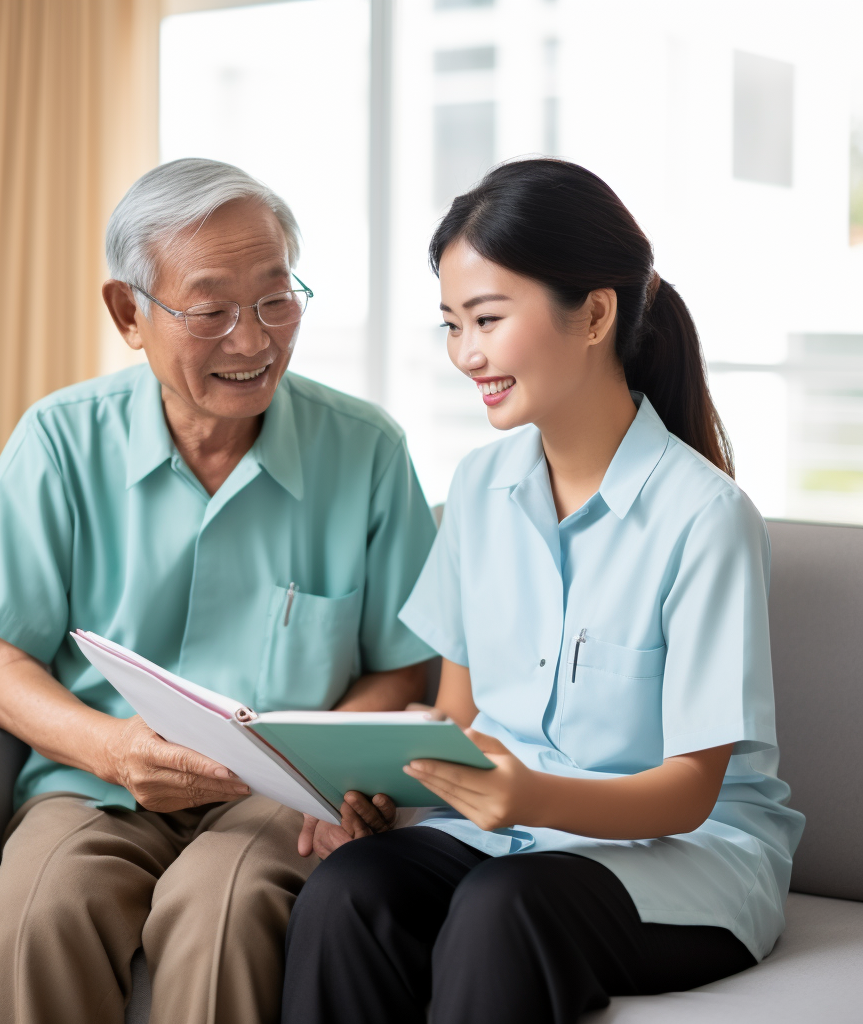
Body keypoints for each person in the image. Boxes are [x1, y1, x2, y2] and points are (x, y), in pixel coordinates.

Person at [281, 158, 806, 1024]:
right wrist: (381, 789)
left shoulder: (705, 518)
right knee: (349, 890)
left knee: (504, 907)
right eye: (453, 324)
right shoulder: (478, 492)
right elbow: (458, 719)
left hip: (687, 861)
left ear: (595, 313)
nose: (467, 354)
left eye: (487, 319)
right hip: (510, 841)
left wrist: (531, 797)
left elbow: (691, 791)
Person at [0, 158, 437, 1024]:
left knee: (225, 909)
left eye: (277, 300)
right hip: (97, 782)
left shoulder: (369, 451)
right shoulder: (59, 441)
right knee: (33, 915)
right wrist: (112, 751)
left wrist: (316, 771)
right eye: (211, 311)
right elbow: (3, 671)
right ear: (129, 312)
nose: (253, 339)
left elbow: (402, 674)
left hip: (279, 797)